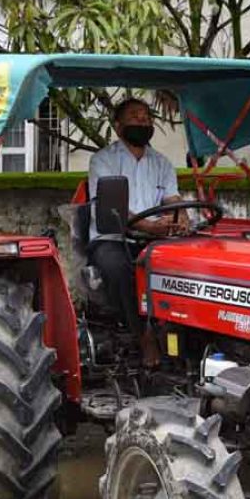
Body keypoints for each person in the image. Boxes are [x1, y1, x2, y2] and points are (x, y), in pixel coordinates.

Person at [87, 97, 186, 367]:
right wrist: (147, 225)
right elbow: (112, 208)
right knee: (119, 269)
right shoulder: (103, 161)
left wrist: (181, 217)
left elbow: (172, 199)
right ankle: (144, 337)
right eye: (135, 116)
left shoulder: (162, 163)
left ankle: (185, 337)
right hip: (113, 237)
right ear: (118, 127)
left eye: (146, 117)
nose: (143, 121)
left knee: (187, 264)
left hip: (154, 238)